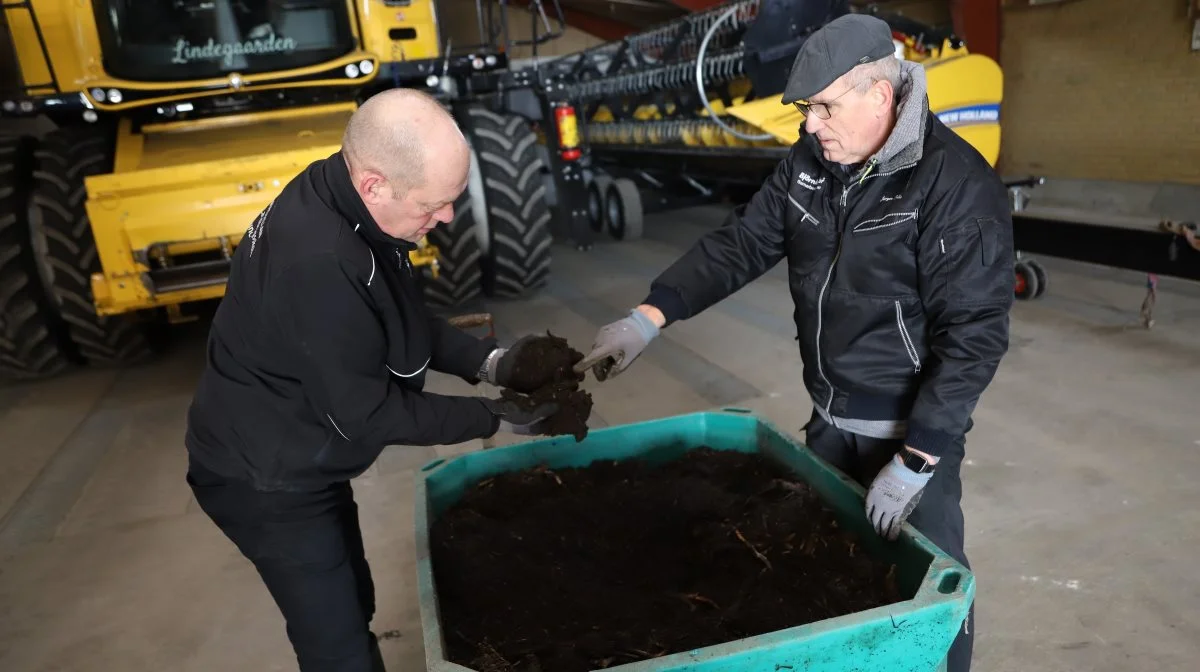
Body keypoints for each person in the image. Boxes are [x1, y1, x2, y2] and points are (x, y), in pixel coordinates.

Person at [574, 13, 1013, 672]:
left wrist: (919, 459)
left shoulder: (954, 186)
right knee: (832, 570)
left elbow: (974, 336)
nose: (811, 125)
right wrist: (651, 314)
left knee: (931, 590)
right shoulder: (811, 163)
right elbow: (743, 242)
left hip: (907, 437)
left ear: (881, 96)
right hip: (829, 421)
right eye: (808, 109)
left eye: (825, 107)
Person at [183, 88, 559, 671]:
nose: (447, 218)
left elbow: (393, 319)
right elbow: (369, 412)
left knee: (352, 596)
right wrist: (495, 416)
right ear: (375, 184)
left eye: (452, 200)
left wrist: (491, 363)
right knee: (337, 644)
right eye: (433, 205)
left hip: (303, 452)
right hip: (266, 477)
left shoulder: (340, 197)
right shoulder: (317, 262)